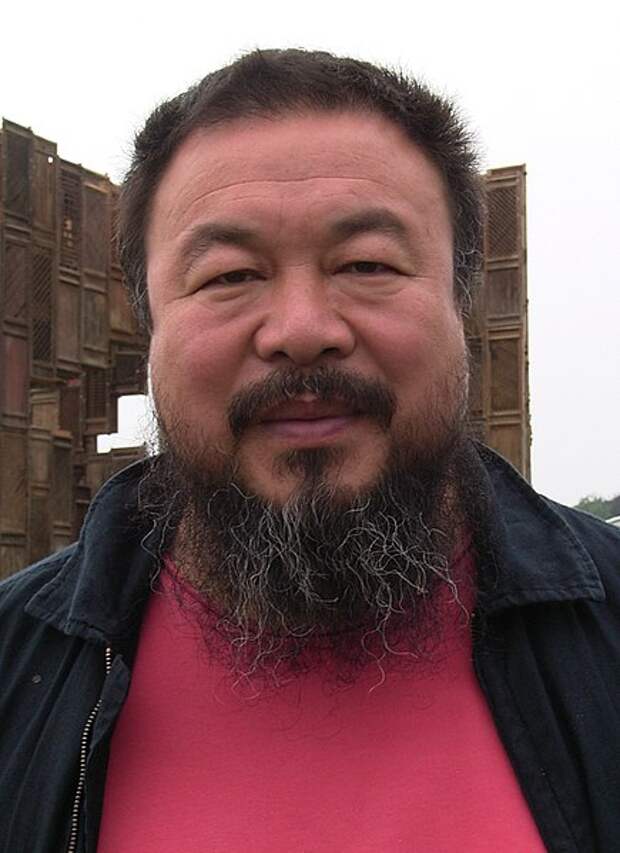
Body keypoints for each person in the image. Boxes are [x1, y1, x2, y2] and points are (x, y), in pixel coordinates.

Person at [1, 49, 618, 853]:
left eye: (366, 264)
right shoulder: (17, 674)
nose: (301, 330)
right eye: (230, 275)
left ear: (459, 307)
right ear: (150, 327)